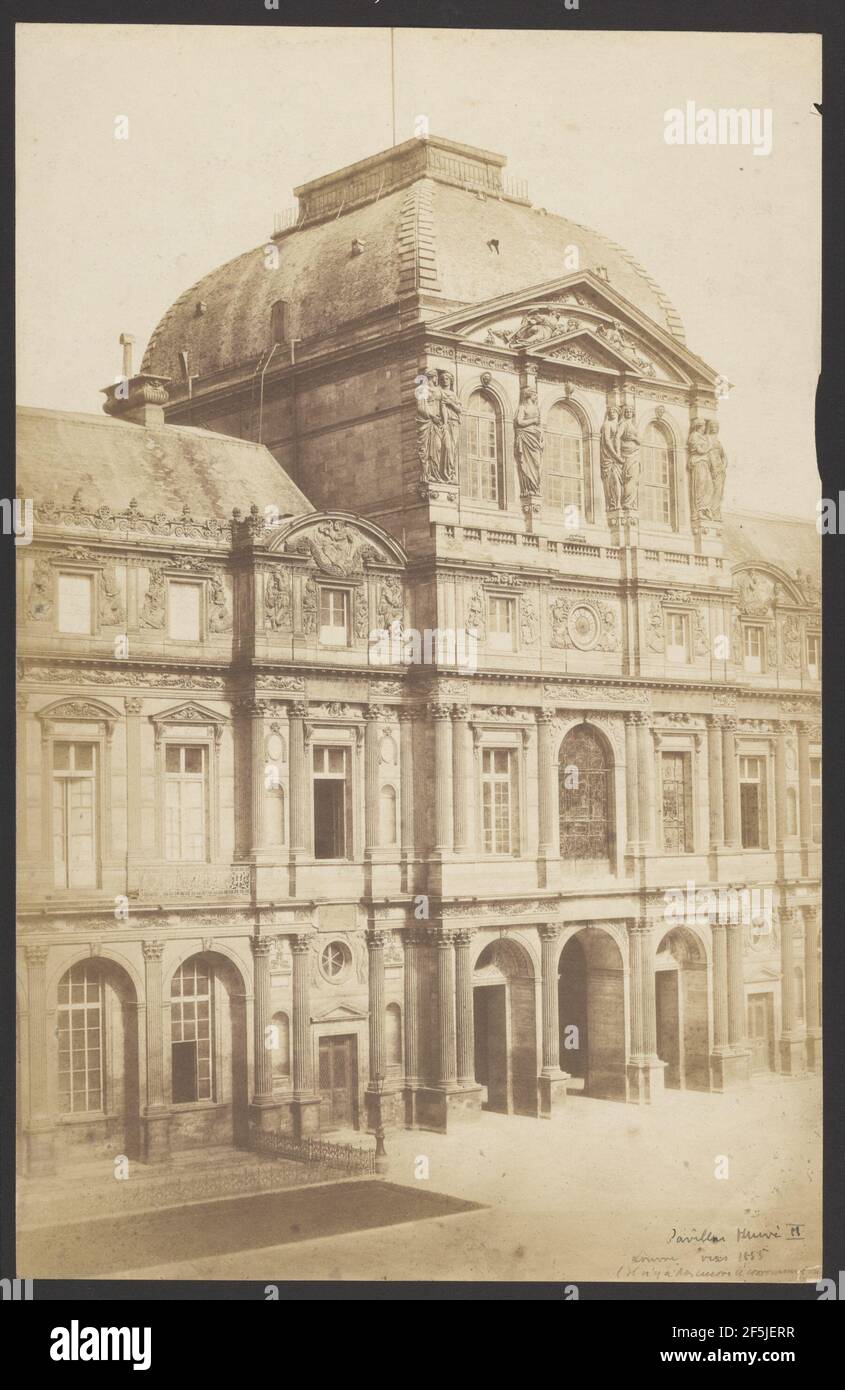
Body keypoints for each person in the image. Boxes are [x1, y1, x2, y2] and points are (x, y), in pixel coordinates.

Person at [513, 386, 544, 495]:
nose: (536, 395)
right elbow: (519, 422)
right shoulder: (522, 407)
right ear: (529, 395)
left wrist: (541, 438)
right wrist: (533, 421)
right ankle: (529, 489)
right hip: (526, 436)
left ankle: (535, 488)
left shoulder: (536, 409)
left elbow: (540, 426)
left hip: (535, 438)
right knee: (526, 463)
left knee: (537, 463)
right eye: (535, 393)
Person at [599, 404, 623, 512]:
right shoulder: (607, 424)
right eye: (610, 410)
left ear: (618, 413)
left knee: (618, 481)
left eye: (614, 410)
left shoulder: (620, 426)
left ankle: (618, 503)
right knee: (612, 480)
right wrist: (616, 456)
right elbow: (607, 442)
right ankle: (613, 505)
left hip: (619, 458)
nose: (612, 412)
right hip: (610, 457)